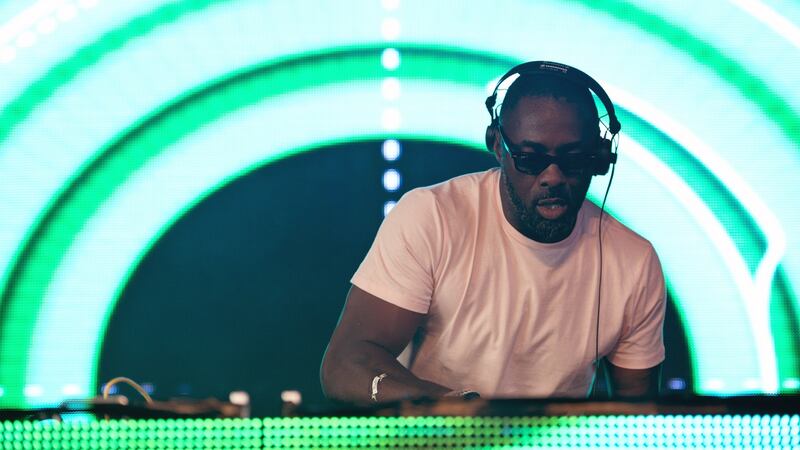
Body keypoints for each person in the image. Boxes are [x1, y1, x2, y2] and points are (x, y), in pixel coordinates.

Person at [320, 61, 666, 404]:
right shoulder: (432, 217)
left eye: (573, 159)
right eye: (530, 159)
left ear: (599, 158)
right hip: (436, 434)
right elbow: (345, 364)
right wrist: (455, 408)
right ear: (498, 145)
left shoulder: (634, 262)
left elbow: (639, 415)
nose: (553, 177)